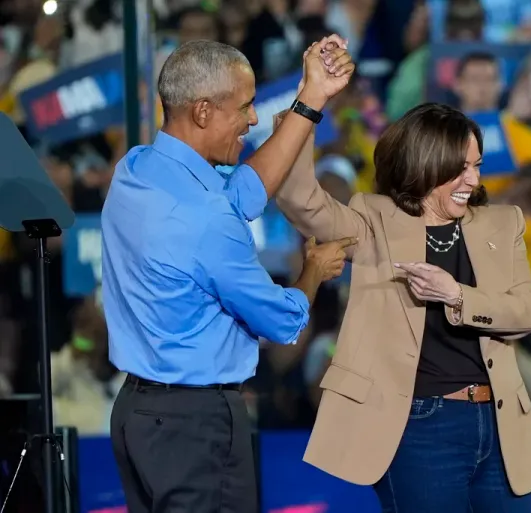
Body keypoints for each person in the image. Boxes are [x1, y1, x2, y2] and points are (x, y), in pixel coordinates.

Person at [102, 37, 355, 513]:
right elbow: (280, 322)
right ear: (202, 112)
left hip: (137, 415)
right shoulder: (204, 220)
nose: (254, 119)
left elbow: (240, 194)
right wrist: (312, 274)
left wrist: (311, 99)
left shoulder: (135, 168)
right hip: (195, 425)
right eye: (246, 106)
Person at [275, 101, 531, 512]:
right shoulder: (373, 219)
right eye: (461, 168)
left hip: (500, 425)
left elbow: (525, 314)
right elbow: (302, 201)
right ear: (427, 163)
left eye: (476, 165)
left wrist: (456, 295)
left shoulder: (503, 222)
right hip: (420, 425)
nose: (473, 180)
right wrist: (309, 108)